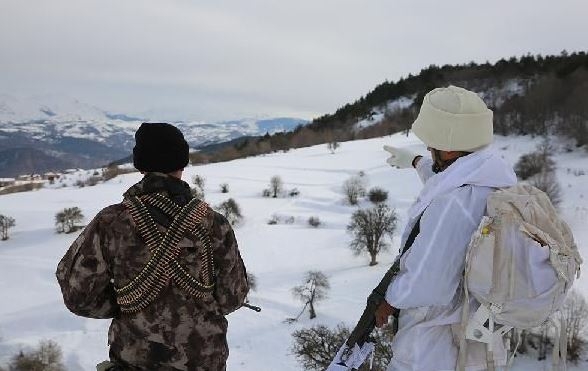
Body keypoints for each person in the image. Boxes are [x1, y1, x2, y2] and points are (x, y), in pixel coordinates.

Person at [56, 122, 249, 371]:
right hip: (204, 363)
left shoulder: (111, 222)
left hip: (134, 362)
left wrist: (128, 306)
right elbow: (232, 298)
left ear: (140, 165)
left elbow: (79, 297)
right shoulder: (214, 223)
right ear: (182, 162)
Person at [379, 86, 517, 371]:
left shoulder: (455, 203)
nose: (428, 149)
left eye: (431, 144)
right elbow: (449, 180)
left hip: (436, 343)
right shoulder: (489, 176)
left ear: (450, 144)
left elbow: (428, 282)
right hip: (473, 332)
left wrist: (389, 301)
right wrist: (417, 163)